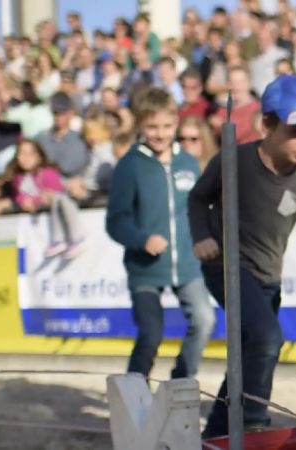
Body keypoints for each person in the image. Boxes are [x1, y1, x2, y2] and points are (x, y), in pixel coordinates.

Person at [190, 75, 296, 437]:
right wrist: (203, 235)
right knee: (268, 338)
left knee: (248, 354)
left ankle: (215, 436)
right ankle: (253, 426)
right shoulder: (233, 160)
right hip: (226, 266)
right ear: (267, 124)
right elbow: (197, 198)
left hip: (269, 277)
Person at [106, 88, 215, 381]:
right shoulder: (129, 166)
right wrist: (142, 239)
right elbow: (115, 221)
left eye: (167, 126)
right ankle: (133, 390)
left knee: (204, 320)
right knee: (151, 334)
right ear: (140, 125)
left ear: (176, 123)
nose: (160, 133)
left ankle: (181, 382)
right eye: (152, 127)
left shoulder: (189, 163)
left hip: (189, 266)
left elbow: (201, 207)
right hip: (146, 270)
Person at [7, 140, 85, 258]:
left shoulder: (48, 173)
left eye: (31, 153)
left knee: (59, 199)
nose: (26, 158)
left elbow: (58, 193)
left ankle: (70, 239)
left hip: (59, 213)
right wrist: (26, 200)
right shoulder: (18, 179)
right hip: (38, 230)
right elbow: (20, 196)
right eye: (22, 153)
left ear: (38, 157)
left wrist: (39, 200)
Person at [37, 92, 89, 178]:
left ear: (71, 113)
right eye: (55, 113)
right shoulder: (43, 137)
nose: (58, 117)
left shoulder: (78, 140)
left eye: (62, 113)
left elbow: (66, 168)